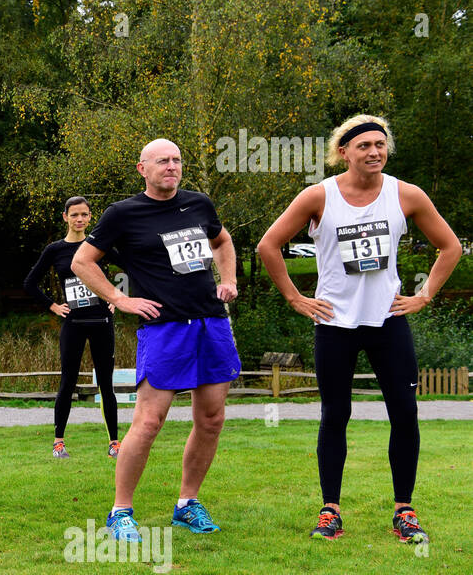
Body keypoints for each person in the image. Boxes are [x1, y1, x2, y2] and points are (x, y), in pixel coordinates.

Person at [257, 115, 461, 543]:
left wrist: (424, 295)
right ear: (344, 152)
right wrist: (296, 298)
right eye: (364, 145)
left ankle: (404, 510)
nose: (374, 152)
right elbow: (268, 245)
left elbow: (450, 246)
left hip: (388, 322)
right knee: (336, 414)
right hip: (335, 323)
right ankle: (330, 510)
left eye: (380, 144)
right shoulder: (319, 196)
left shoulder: (405, 194)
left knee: (404, 413)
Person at [71, 138, 240, 542]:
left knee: (212, 418)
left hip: (211, 323)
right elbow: (82, 261)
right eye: (162, 160)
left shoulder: (199, 204)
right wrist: (118, 298)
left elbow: (223, 241)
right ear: (141, 168)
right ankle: (120, 512)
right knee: (149, 421)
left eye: (177, 160)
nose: (172, 166)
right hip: (164, 328)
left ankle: (187, 504)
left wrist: (229, 279)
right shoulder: (123, 214)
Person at [24, 196, 121, 460]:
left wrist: (117, 298)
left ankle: (114, 443)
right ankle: (58, 443)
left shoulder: (99, 246)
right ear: (65, 217)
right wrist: (53, 307)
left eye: (85, 215)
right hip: (74, 323)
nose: (80, 219)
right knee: (67, 382)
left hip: (101, 321)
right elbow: (30, 283)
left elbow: (132, 268)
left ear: (91, 217)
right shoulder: (55, 250)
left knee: (106, 384)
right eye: (75, 215)